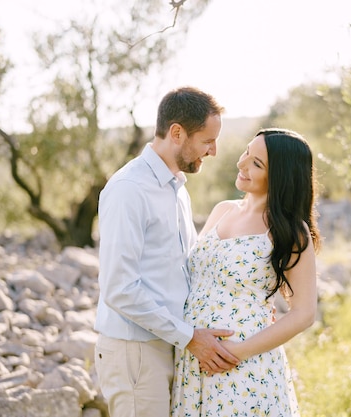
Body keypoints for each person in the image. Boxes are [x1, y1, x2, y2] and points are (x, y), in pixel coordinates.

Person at [94, 86, 240, 417]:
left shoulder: (177, 191)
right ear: (176, 133)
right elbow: (119, 288)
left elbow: (184, 270)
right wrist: (190, 338)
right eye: (207, 140)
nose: (214, 151)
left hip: (169, 343)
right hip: (136, 352)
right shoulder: (128, 190)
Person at [171, 128, 321, 416]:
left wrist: (236, 352)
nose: (242, 164)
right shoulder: (223, 210)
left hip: (243, 366)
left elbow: (304, 313)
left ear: (280, 176)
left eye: (257, 163)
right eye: (246, 153)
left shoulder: (289, 230)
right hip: (194, 357)